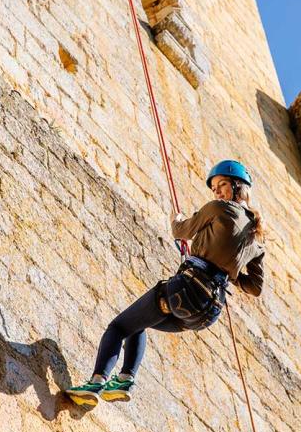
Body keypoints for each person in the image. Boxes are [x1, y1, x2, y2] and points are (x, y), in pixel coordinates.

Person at [65, 160, 265, 406]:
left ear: (238, 187)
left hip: (185, 290)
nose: (217, 192)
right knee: (138, 324)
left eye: (221, 185)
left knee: (118, 327)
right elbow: (254, 287)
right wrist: (229, 269)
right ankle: (124, 380)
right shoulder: (256, 241)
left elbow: (181, 231)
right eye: (214, 188)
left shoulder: (219, 208)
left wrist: (177, 219)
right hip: (206, 314)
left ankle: (96, 382)